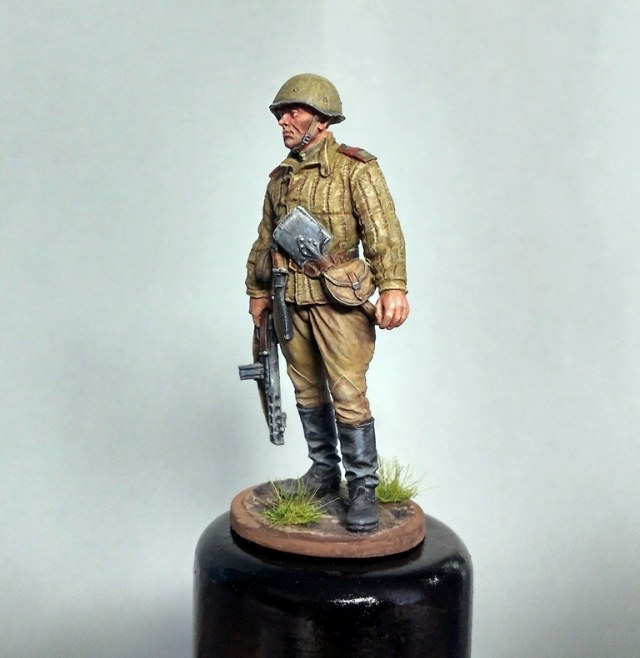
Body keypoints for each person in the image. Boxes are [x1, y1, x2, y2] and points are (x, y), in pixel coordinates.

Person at [245, 73, 409, 532]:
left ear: (320, 119)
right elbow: (264, 239)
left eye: (293, 112)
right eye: (281, 114)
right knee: (307, 389)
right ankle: (323, 472)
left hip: (339, 300)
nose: (283, 121)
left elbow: (383, 231)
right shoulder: (280, 179)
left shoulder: (355, 168)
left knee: (348, 393)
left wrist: (393, 287)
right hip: (290, 298)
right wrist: (257, 291)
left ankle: (363, 487)